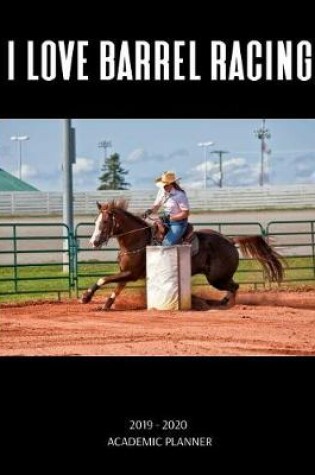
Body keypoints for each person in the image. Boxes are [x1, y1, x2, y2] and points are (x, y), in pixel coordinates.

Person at [144, 171, 190, 246]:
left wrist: (171, 218)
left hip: (178, 223)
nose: (163, 187)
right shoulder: (162, 192)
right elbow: (156, 206)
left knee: (167, 244)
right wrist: (150, 210)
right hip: (165, 220)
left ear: (171, 184)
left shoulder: (180, 195)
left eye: (165, 185)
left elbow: (185, 213)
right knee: (151, 238)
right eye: (163, 185)